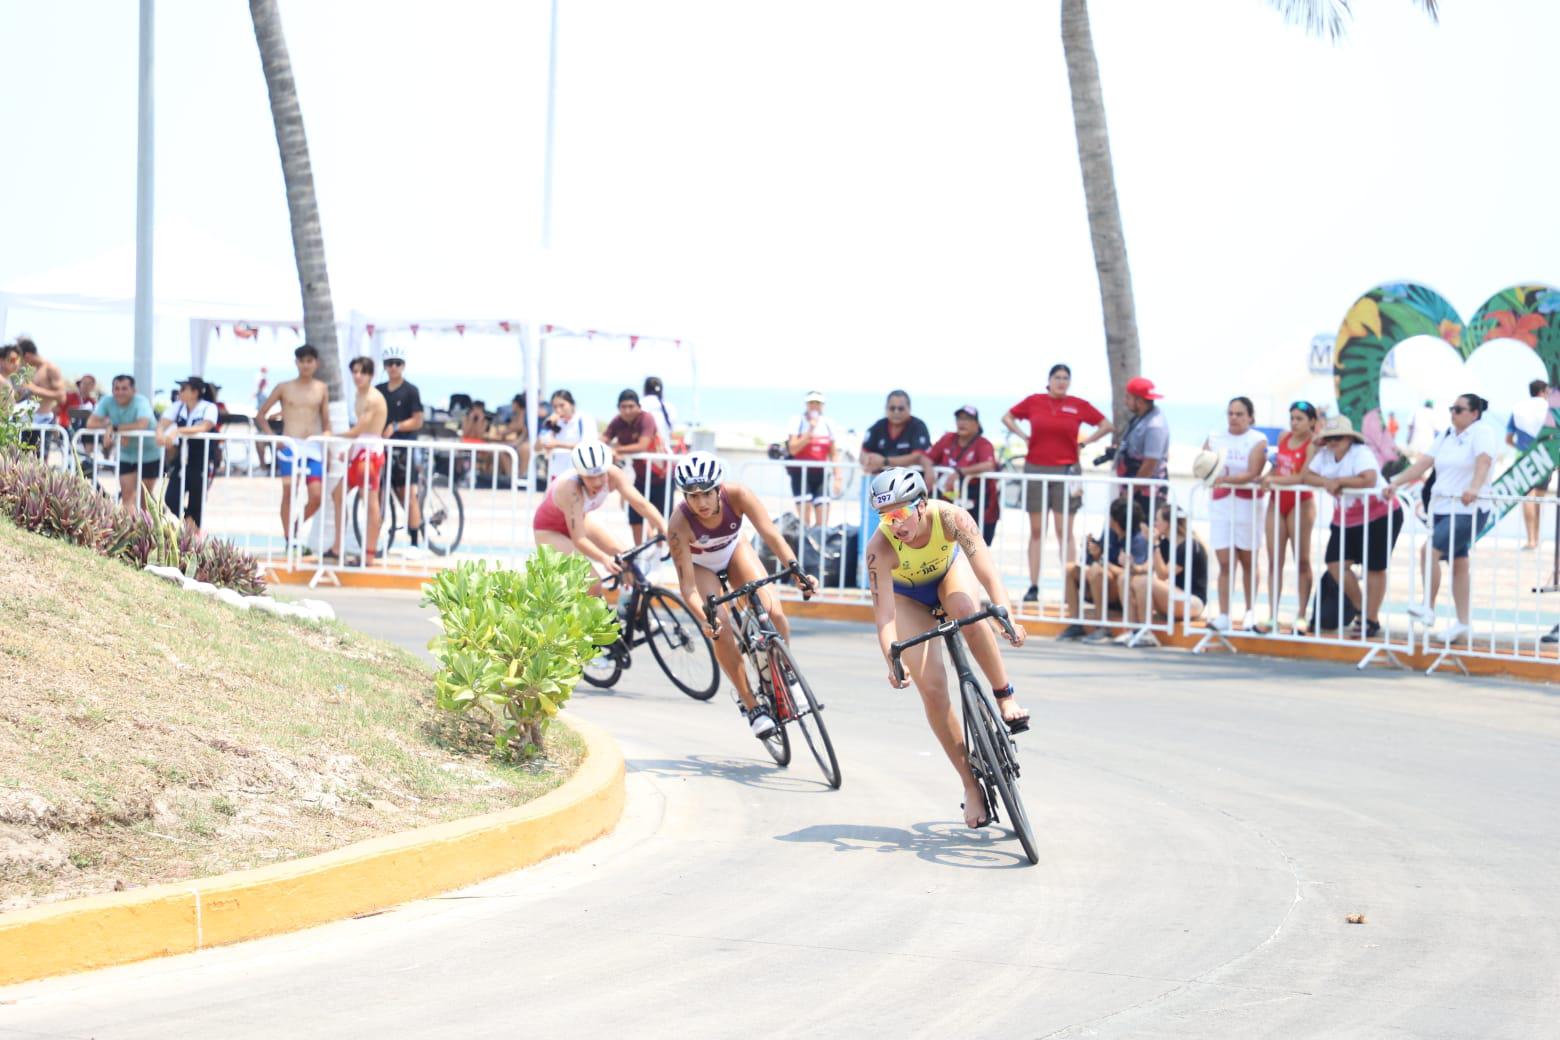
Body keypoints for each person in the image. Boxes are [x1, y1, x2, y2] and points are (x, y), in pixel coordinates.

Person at [866, 468, 1028, 830]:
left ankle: (1005, 697)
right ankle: (970, 785)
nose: (894, 524)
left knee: (967, 612)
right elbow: (885, 617)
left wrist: (1008, 619)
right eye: (884, 517)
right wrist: (892, 661)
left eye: (900, 514)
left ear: (921, 505)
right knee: (933, 690)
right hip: (910, 600)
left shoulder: (952, 517)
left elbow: (988, 574)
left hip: (948, 577)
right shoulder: (879, 549)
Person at [667, 452, 817, 738]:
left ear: (718, 489)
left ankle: (784, 673)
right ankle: (751, 705)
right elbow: (687, 588)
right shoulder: (678, 524)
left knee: (772, 611)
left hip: (734, 550)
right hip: (703, 567)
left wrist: (797, 571)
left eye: (706, 494)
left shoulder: (738, 495)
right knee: (720, 628)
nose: (700, 503)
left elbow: (771, 535)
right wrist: (706, 618)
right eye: (692, 496)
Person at [1386, 393, 1497, 645]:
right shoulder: (1447, 434)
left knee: (1429, 551)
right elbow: (1423, 463)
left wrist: (1475, 487)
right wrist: (1394, 483)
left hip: (1468, 508)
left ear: (1474, 413)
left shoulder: (1482, 432)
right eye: (1452, 408)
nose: (1453, 413)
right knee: (1459, 564)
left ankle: (1428, 606)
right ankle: (1463, 623)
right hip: (1443, 507)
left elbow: (1484, 460)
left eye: (1459, 409)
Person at [1002, 364, 1113, 600]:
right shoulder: (1034, 401)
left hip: (1067, 470)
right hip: (1036, 469)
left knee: (1064, 531)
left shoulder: (1078, 405)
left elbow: (1106, 425)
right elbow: (1008, 417)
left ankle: (1069, 588)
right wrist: (1024, 437)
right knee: (1036, 530)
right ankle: (1033, 586)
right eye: (1057, 377)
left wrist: (1085, 443)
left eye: (1066, 378)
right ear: (1049, 380)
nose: (1061, 382)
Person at [1303, 415, 1403, 639]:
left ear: (1349, 438)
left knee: (1375, 567)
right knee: (1335, 563)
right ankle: (1361, 609)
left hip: (1380, 513)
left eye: (1337, 437)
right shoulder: (1325, 455)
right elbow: (1307, 475)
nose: (1332, 442)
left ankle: (1371, 618)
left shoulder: (1361, 453)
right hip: (1347, 517)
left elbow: (1368, 478)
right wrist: (1327, 481)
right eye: (1328, 438)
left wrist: (1340, 482)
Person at [531, 441, 667, 594]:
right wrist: (604, 559)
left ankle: (628, 606)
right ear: (580, 475)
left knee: (626, 559)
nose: (597, 482)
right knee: (591, 583)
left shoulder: (614, 474)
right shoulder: (570, 489)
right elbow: (579, 540)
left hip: (581, 519)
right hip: (550, 530)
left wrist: (664, 527)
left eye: (601, 475)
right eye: (590, 477)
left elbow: (640, 504)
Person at [1204, 397, 1269, 634]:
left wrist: (1225, 479)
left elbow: (1253, 471)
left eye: (1240, 414)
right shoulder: (1215, 437)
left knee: (1248, 560)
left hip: (1248, 506)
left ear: (1250, 417)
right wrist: (1218, 480)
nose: (1234, 418)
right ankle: (1223, 614)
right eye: (1230, 413)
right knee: (1225, 561)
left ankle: (1250, 612)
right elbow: (1204, 465)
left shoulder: (1257, 440)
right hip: (1221, 505)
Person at [255, 344, 331, 546]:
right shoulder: (284, 387)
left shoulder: (321, 388)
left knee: (316, 495)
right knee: (290, 492)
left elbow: (326, 422)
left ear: (316, 363)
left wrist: (327, 443)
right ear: (296, 363)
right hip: (289, 446)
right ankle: (289, 539)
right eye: (302, 361)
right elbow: (261, 415)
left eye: (309, 361)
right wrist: (274, 438)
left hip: (313, 447)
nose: (306, 365)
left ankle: (296, 527)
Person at [1258, 401, 1319, 634]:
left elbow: (1303, 476)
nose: (1294, 423)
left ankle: (1301, 615)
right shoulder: (1284, 438)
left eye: (1300, 419)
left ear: (1312, 421)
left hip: (1300, 501)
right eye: (1292, 418)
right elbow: (1277, 467)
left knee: (1301, 559)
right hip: (1277, 499)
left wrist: (1272, 481)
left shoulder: (1313, 443)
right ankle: (1273, 615)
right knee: (1275, 560)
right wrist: (1267, 478)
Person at [1057, 495, 1151, 641]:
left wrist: (1104, 564)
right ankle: (1076, 623)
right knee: (1071, 569)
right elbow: (1097, 560)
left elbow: (1132, 573)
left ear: (1118, 521)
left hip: (1119, 592)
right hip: (1101, 583)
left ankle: (1102, 627)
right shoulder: (1110, 534)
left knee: (1098, 572)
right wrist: (1093, 551)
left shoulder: (1138, 541)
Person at [329, 357, 388, 566]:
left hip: (370, 454)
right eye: (354, 371)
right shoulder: (359, 395)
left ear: (370, 375)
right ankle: (338, 547)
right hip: (362, 450)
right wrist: (351, 450)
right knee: (338, 494)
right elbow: (361, 433)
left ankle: (369, 554)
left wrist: (333, 436)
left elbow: (360, 430)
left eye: (362, 372)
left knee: (370, 503)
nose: (357, 376)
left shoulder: (372, 398)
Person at [1125, 501, 1209, 632]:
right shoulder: (1166, 543)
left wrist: (1155, 545)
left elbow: (1164, 574)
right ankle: (1132, 631)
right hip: (1174, 596)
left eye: (1157, 520)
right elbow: (1146, 568)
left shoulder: (1189, 545)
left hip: (1192, 601)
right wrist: (1132, 566)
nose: (1155, 524)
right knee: (1128, 580)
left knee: (1145, 582)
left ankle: (1144, 632)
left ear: (1168, 523)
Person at [374, 343, 427, 546]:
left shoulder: (411, 391)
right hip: (383, 449)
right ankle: (374, 538)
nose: (393, 367)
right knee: (378, 493)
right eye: (389, 364)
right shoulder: (378, 391)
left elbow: (418, 420)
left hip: (404, 449)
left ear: (403, 366)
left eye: (397, 363)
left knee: (407, 494)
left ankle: (415, 541)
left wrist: (396, 426)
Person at [925, 405, 1001, 544]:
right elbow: (927, 457)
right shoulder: (948, 438)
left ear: (977, 424)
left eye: (967, 419)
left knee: (975, 547)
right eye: (959, 419)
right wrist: (929, 471)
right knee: (944, 545)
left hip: (979, 506)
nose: (962, 422)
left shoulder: (983, 444)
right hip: (948, 504)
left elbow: (988, 465)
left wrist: (960, 472)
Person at [604, 389, 668, 545]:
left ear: (638, 406)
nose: (627, 410)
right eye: (623, 406)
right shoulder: (617, 422)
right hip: (638, 477)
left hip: (660, 475)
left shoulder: (647, 418)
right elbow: (602, 440)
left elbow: (643, 445)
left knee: (661, 516)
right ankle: (639, 552)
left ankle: (658, 555)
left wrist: (617, 449)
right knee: (635, 514)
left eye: (631, 406)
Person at [85, 374, 159, 511]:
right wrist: (108, 425)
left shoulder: (141, 401)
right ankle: (130, 530)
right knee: (127, 496)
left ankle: (148, 529)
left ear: (133, 390)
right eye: (116, 388)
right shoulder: (107, 401)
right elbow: (90, 423)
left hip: (149, 453)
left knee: (145, 500)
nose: (120, 392)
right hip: (126, 453)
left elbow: (142, 424)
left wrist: (114, 428)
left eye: (124, 388)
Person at [157, 377, 220, 534]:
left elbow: (204, 427)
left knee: (196, 499)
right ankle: (189, 523)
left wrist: (177, 431)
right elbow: (163, 422)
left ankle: (194, 533)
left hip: (203, 458)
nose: (180, 392)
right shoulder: (178, 407)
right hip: (184, 458)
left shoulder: (209, 407)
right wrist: (160, 433)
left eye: (184, 389)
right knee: (171, 497)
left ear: (195, 392)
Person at [1115, 375, 1171, 522]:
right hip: (1136, 490)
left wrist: (1130, 491)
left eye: (1128, 398)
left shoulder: (1154, 425)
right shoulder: (1141, 417)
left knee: (1143, 534)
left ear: (1139, 401)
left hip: (1147, 494)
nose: (1125, 402)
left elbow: (1150, 464)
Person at [785, 390, 843, 528]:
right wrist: (809, 431)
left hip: (821, 475)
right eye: (811, 403)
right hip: (800, 474)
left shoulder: (829, 423)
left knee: (822, 521)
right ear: (806, 404)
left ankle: (818, 546)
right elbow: (793, 448)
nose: (814, 406)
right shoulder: (797, 421)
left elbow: (833, 453)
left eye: (818, 403)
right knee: (804, 521)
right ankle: (803, 547)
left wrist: (838, 477)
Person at [1507, 379, 1551, 550]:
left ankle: (1530, 539)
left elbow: (1508, 439)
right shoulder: (1549, 409)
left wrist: (1519, 447)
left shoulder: (1518, 408)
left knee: (1528, 497)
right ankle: (1537, 537)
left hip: (1523, 456)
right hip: (1544, 456)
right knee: (1539, 498)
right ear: (1544, 391)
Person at [859, 390, 933, 486]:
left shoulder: (918, 426)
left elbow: (918, 456)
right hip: (882, 485)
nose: (896, 412)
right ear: (886, 408)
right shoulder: (878, 426)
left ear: (909, 408)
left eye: (900, 408)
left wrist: (884, 462)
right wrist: (868, 461)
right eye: (892, 408)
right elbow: (864, 452)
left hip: (909, 484)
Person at [16, 339, 66, 450]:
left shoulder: (50, 368)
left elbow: (62, 396)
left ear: (27, 356)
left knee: (40, 459)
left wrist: (35, 389)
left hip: (45, 421)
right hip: (29, 421)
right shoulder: (33, 370)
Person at [535, 389, 595, 476]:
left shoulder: (585, 419)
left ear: (572, 405)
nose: (558, 410)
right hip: (557, 473)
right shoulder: (554, 423)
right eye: (555, 407)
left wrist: (557, 444)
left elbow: (587, 445)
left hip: (579, 471)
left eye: (562, 405)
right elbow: (537, 448)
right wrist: (546, 426)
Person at [640, 376, 679, 444]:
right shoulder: (669, 407)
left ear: (645, 389)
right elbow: (671, 430)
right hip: (664, 451)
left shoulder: (639, 405)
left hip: (642, 451)